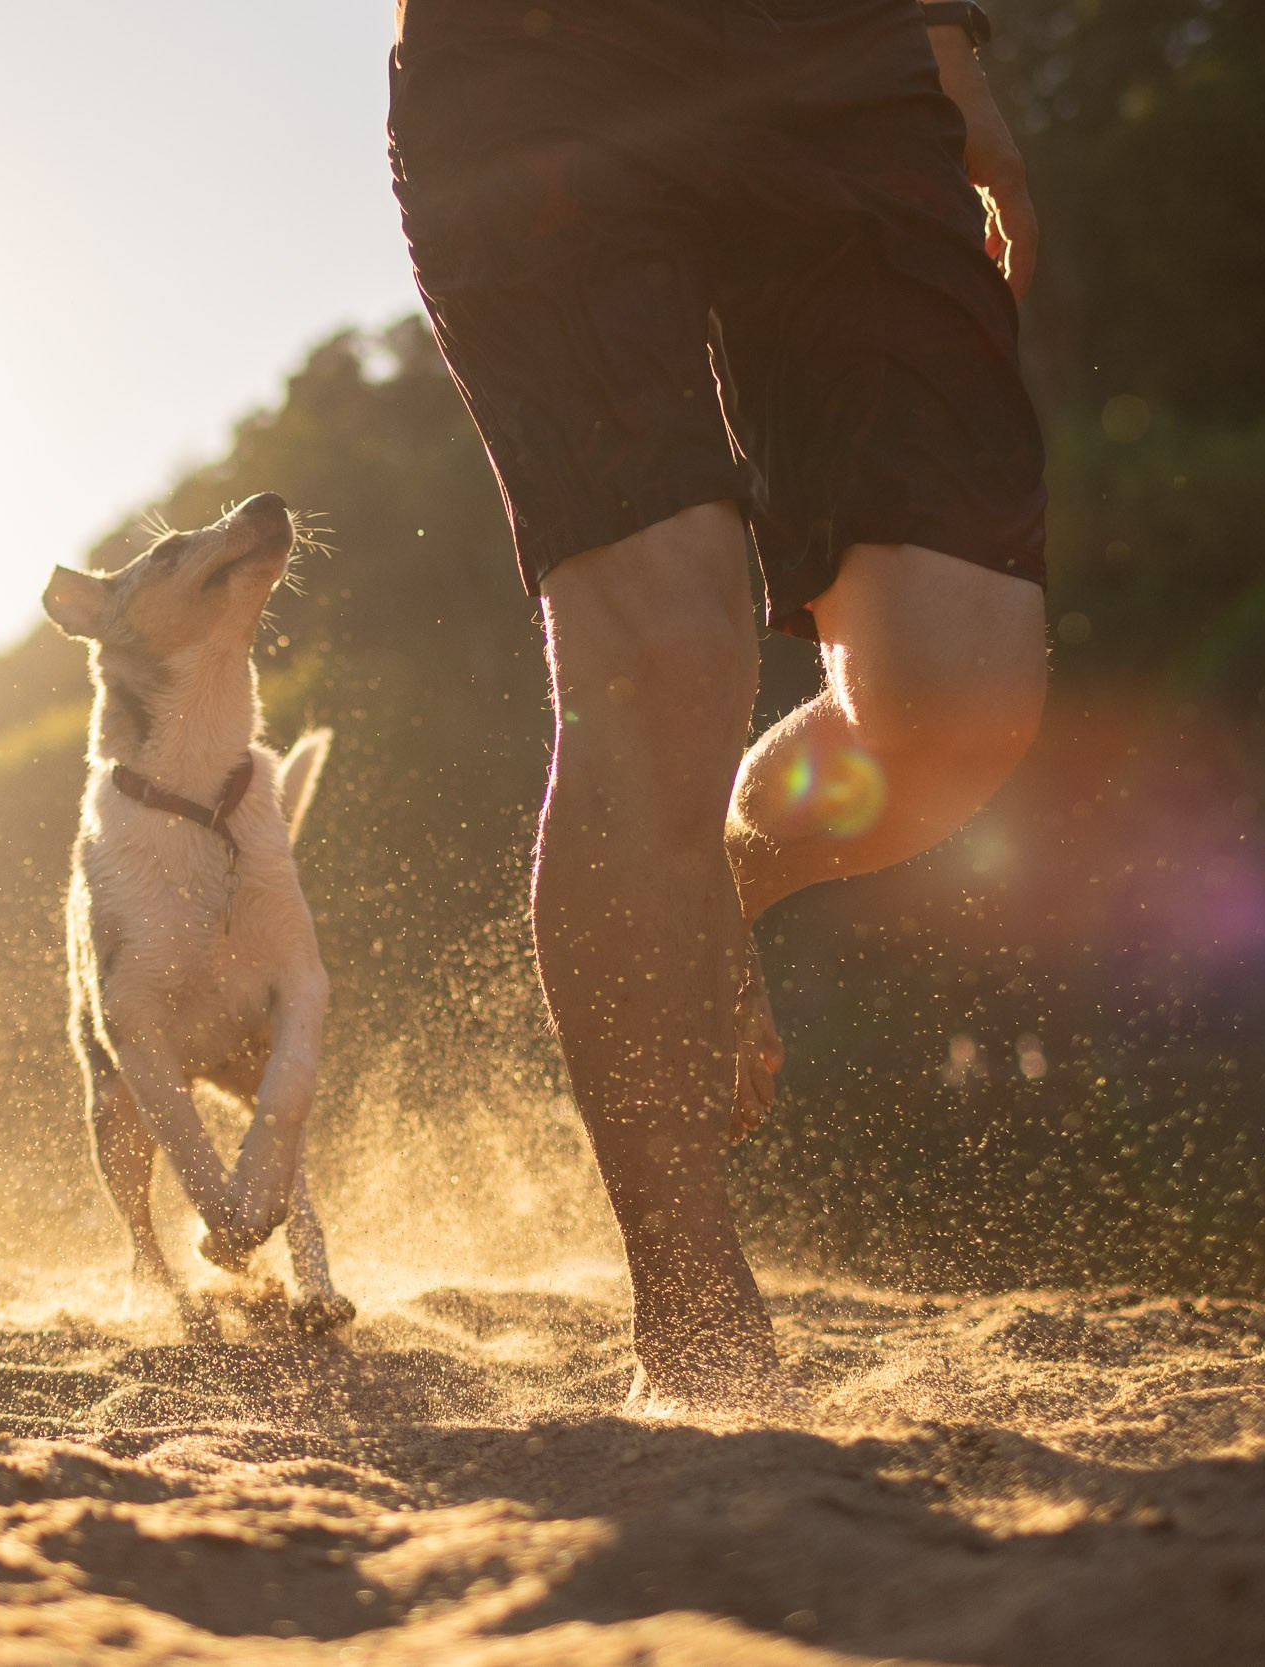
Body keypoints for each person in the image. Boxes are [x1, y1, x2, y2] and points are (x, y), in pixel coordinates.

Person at [388, 0, 1049, 1402]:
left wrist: (948, 56)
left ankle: (724, 873)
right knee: (665, 655)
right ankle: (691, 1309)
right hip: (534, 59)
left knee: (957, 693)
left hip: (841, 53)